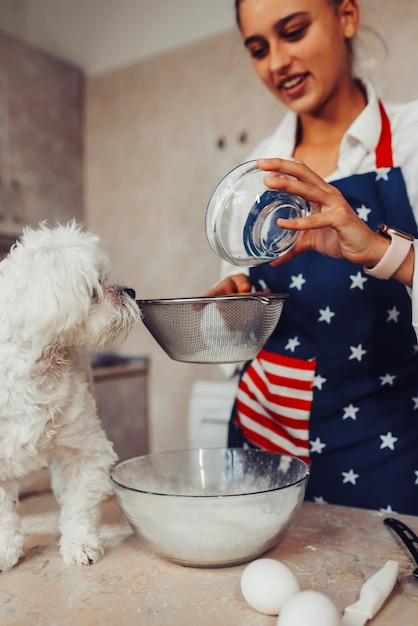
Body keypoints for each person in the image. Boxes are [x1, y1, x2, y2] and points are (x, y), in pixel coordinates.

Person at [205, 0, 418, 515]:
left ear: (347, 16)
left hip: (381, 445)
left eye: (293, 32)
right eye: (259, 49)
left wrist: (384, 252)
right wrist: (237, 305)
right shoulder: (257, 168)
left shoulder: (411, 142)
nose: (277, 62)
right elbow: (240, 325)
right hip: (263, 433)